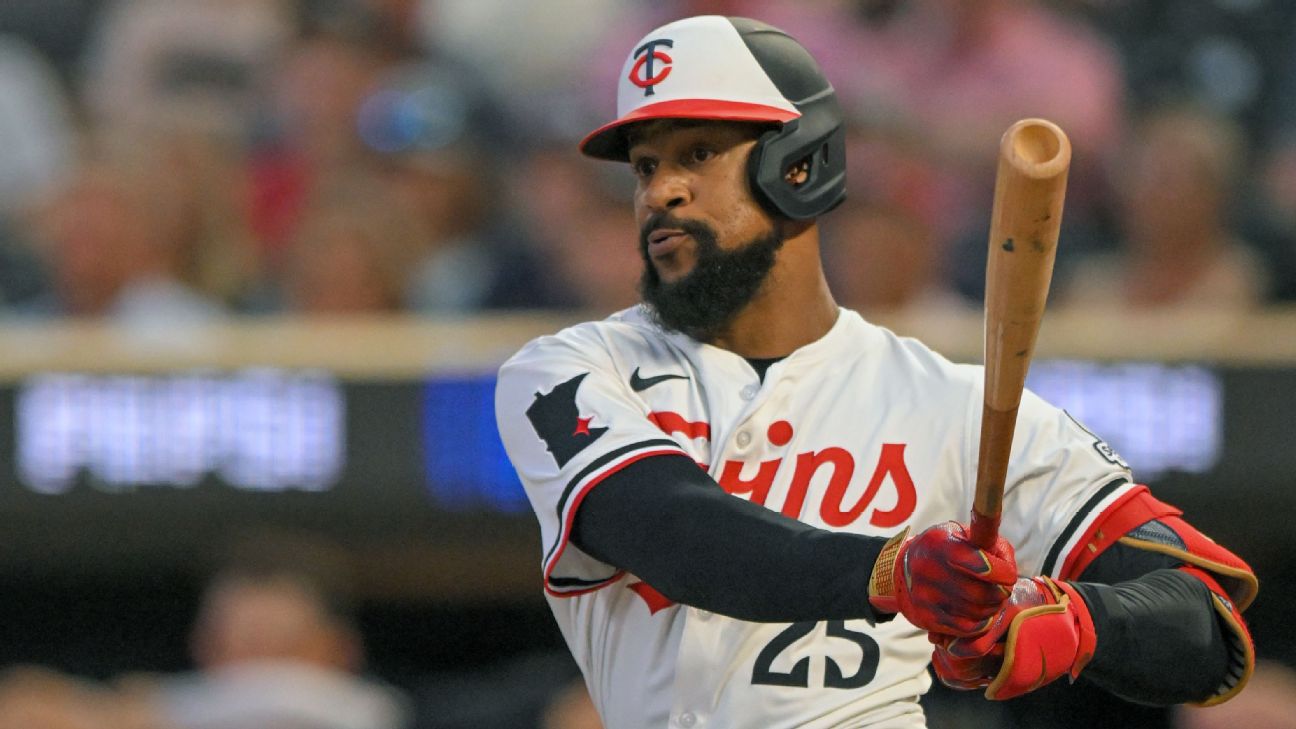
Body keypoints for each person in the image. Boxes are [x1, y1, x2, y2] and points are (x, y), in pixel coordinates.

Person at [493, 15, 1258, 729]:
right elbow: (677, 533)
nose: (661, 191)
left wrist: (1061, 618)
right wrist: (893, 569)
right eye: (645, 166)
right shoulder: (568, 371)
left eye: (698, 153)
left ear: (801, 165)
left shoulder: (948, 402)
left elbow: (1206, 621)